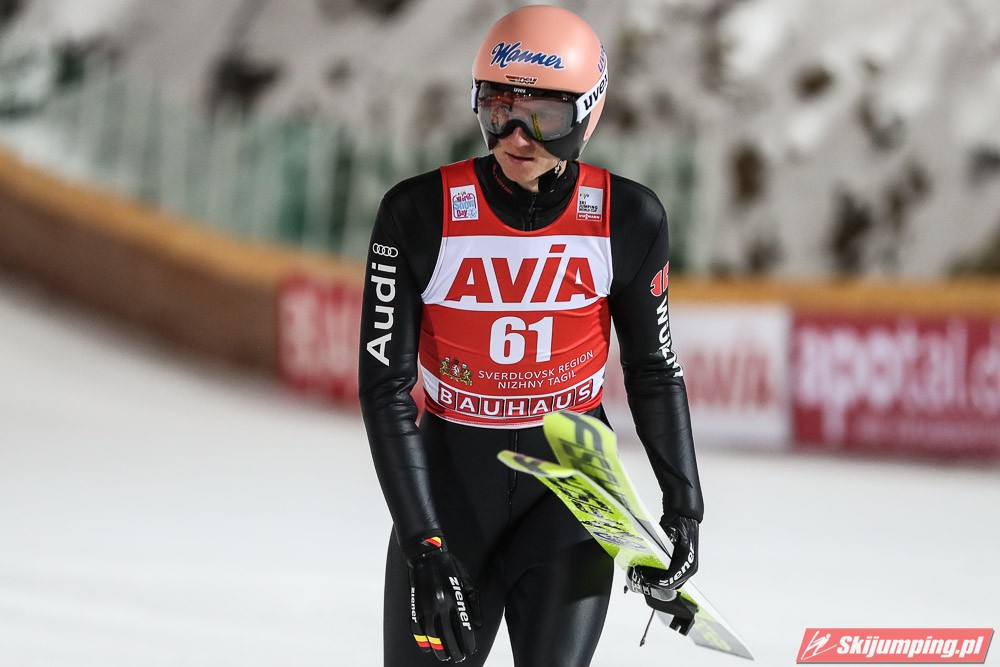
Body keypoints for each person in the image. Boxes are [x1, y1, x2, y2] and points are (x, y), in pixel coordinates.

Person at [358, 5, 703, 665]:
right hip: (452, 498)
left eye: (544, 115)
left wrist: (684, 507)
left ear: (589, 113)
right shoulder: (419, 212)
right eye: (499, 108)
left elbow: (654, 368)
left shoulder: (627, 217)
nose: (516, 135)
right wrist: (424, 544)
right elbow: (385, 388)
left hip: (571, 499)